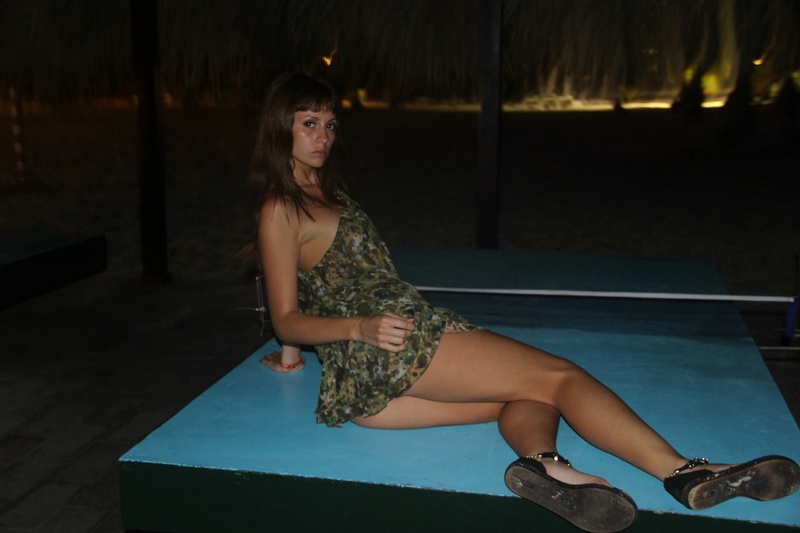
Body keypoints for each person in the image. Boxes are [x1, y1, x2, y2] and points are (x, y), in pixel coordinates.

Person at [245, 72, 800, 533]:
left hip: (367, 395)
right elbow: (285, 315)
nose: (323, 136)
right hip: (397, 346)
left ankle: (546, 468)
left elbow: (306, 287)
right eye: (308, 123)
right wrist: (358, 329)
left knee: (526, 393)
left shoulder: (325, 192)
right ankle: (683, 473)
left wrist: (292, 359)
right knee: (561, 377)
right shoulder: (280, 207)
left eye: (330, 124)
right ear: (280, 127)